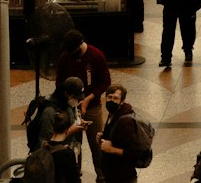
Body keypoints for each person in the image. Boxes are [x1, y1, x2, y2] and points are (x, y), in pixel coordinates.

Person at [56, 28, 111, 182]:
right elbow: (59, 83)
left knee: (96, 143)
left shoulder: (96, 56)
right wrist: (71, 101)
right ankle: (74, 175)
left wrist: (88, 99)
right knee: (74, 144)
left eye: (73, 51)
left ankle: (102, 176)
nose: (70, 55)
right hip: (71, 109)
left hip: (92, 107)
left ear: (80, 45)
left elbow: (105, 82)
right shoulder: (65, 57)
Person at [98, 83, 143, 183]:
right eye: (109, 97)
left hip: (124, 177)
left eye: (116, 98)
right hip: (112, 174)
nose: (112, 101)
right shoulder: (113, 114)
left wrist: (110, 149)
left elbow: (135, 152)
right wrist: (104, 136)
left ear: (121, 101)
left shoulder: (125, 121)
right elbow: (117, 138)